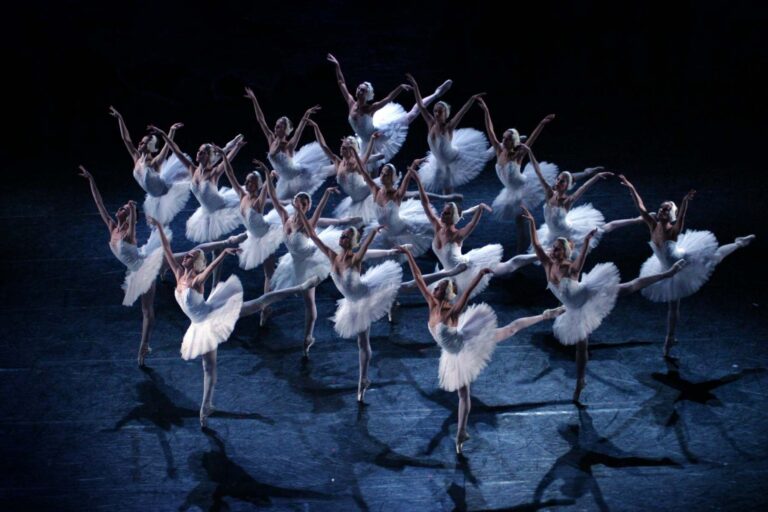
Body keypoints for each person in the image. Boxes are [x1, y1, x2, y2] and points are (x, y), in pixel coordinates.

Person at [151, 220, 320, 426]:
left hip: (214, 316)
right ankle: (206, 406)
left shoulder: (196, 281)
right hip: (199, 325)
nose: (186, 255)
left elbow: (209, 270)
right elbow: (168, 250)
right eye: (187, 254)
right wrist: (159, 227)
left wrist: (222, 254)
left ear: (195, 263)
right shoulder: (178, 274)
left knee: (258, 303)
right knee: (208, 367)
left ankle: (300, 287)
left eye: (191, 256)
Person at [399, 245, 564, 453]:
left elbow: (466, 293)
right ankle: (461, 433)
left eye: (439, 287)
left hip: (466, 345)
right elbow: (419, 279)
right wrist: (408, 254)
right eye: (437, 287)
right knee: (463, 394)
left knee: (509, 330)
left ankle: (545, 315)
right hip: (452, 353)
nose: (435, 288)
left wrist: (478, 275)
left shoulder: (452, 311)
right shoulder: (431, 303)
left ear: (445, 293)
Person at [523, 206, 686, 402]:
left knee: (628, 287)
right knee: (581, 346)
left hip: (589, 294)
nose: (553, 250)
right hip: (574, 307)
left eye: (557, 249)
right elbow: (536, 244)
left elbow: (581, 259)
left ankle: (667, 274)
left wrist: (585, 243)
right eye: (553, 248)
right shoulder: (548, 264)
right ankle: (581, 381)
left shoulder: (570, 268)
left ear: (564, 253)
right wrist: (532, 222)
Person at [617, 175, 755, 357]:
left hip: (684, 262)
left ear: (671, 216)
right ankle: (670, 339)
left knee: (715, 257)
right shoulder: (652, 225)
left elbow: (681, 216)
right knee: (673, 307)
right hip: (665, 268)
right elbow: (640, 207)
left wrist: (684, 201)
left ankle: (739, 243)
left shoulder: (673, 230)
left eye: (666, 210)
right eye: (661, 208)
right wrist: (630, 186)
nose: (661, 211)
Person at [79, 166, 165, 366]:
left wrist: (133, 210)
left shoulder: (128, 233)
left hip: (144, 270)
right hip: (136, 267)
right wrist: (91, 178)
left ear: (126, 217)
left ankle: (143, 347)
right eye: (120, 208)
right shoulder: (112, 227)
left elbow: (134, 223)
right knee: (167, 261)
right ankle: (166, 267)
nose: (118, 210)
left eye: (122, 210)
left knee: (147, 311)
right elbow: (99, 203)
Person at [327, 53, 452, 170]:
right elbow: (341, 82)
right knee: (369, 169)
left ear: (367, 95)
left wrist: (400, 88)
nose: (360, 90)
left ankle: (436, 93)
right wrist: (337, 65)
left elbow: (387, 99)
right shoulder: (350, 102)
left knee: (412, 114)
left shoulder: (369, 108)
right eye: (359, 88)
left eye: (363, 90)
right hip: (365, 140)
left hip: (379, 135)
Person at [407, 74, 492, 194]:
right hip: (440, 161)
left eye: (440, 111)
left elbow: (462, 112)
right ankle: (452, 211)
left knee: (484, 157)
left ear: (445, 113)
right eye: (435, 111)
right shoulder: (431, 123)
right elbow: (421, 106)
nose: (437, 113)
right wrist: (415, 87)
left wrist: (471, 99)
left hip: (453, 157)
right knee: (447, 190)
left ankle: (499, 147)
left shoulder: (449, 126)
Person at [244, 87, 331, 199]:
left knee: (321, 171)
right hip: (284, 177)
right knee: (284, 200)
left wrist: (306, 114)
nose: (276, 127)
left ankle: (341, 166)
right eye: (276, 125)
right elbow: (261, 120)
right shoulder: (271, 138)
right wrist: (254, 100)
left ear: (285, 129)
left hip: (296, 171)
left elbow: (299, 130)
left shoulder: (288, 146)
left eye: (279, 126)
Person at [108, 106, 190, 225]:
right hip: (153, 194)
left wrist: (171, 131)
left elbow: (167, 147)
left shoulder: (154, 163)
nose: (139, 143)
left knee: (192, 177)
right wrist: (120, 118)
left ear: (150, 146)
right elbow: (126, 139)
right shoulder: (136, 158)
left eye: (144, 142)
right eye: (141, 141)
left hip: (164, 190)